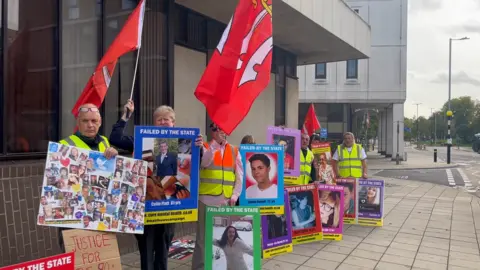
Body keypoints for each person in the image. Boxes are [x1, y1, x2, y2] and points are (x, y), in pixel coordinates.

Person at [109, 100, 203, 270]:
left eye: (166, 119)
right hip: (146, 208)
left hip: (169, 208)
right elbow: (115, 138)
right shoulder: (141, 139)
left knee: (163, 251)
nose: (162, 122)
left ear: (173, 123)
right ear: (154, 123)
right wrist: (125, 116)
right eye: (159, 119)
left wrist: (199, 148)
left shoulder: (184, 142)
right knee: (146, 251)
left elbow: (194, 166)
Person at [57, 103, 118, 252]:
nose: (90, 125)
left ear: (100, 122)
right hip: (75, 217)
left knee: (99, 259)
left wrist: (115, 157)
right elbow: (58, 185)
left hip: (99, 214)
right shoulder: (64, 145)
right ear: (78, 122)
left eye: (94, 121)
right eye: (85, 121)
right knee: (76, 260)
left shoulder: (105, 142)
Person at [192, 123, 243, 270]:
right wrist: (214, 145)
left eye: (222, 128)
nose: (220, 131)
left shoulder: (234, 150)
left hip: (226, 202)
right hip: (206, 200)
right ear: (212, 131)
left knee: (224, 238)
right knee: (203, 239)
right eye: (216, 129)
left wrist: (235, 195)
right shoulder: (205, 147)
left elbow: (239, 176)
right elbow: (205, 162)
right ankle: (199, 268)